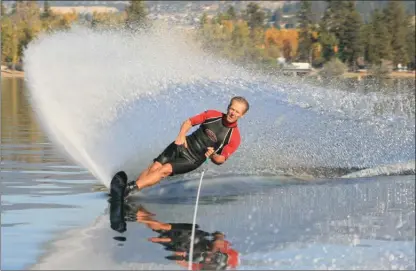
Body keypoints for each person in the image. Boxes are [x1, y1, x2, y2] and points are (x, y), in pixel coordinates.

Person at [118, 96, 249, 198]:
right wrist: (181, 135)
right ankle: (130, 192)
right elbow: (189, 122)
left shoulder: (234, 137)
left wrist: (213, 155)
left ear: (241, 115)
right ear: (228, 107)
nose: (232, 113)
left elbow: (221, 160)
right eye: (232, 109)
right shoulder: (212, 115)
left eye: (237, 112)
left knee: (165, 169)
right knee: (154, 167)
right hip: (183, 144)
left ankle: (129, 188)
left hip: (193, 159)